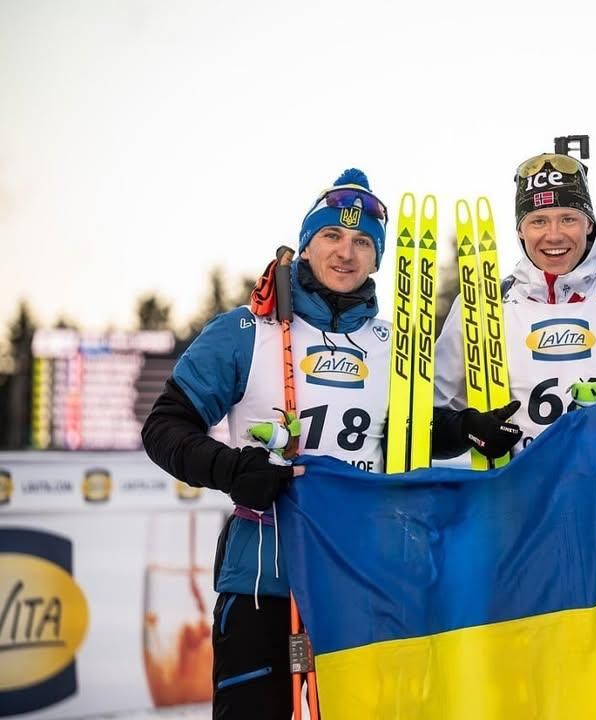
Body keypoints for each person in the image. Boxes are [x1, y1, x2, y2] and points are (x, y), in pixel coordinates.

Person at [142, 169, 397, 719]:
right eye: (331, 236)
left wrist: (464, 426)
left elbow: (412, 432)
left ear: (377, 259)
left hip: (361, 579)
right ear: (306, 245)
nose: (345, 253)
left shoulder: (394, 345)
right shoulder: (246, 331)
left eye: (362, 243)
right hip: (262, 577)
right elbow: (164, 428)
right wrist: (234, 469)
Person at [432, 151, 596, 460]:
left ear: (589, 225)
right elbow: (430, 424)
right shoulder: (483, 305)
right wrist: (468, 427)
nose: (554, 235)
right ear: (520, 231)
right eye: (538, 221)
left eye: (568, 219)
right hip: (517, 495)